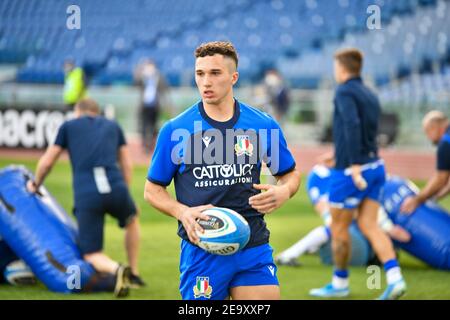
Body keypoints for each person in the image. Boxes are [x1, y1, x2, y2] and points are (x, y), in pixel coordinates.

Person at [144, 41, 301, 300]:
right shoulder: (175, 130)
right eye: (200, 74)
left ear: (233, 77)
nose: (206, 81)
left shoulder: (263, 125)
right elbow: (152, 189)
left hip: (253, 243)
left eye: (215, 73)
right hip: (202, 249)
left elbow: (290, 173)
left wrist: (284, 191)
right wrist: (181, 211)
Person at [309, 48, 407, 300]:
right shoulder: (370, 94)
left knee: (339, 230)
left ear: (341, 68)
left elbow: (351, 124)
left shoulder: (343, 90)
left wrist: (350, 163)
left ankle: (339, 284)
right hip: (375, 166)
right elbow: (362, 131)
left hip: (351, 172)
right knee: (370, 225)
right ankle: (395, 279)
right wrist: (338, 154)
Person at [27, 98, 145, 292]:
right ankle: (134, 272)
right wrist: (126, 192)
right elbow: (126, 164)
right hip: (116, 187)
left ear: (78, 112)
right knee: (131, 220)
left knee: (91, 254)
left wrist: (35, 184)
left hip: (87, 193)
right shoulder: (113, 125)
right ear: (96, 112)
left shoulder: (68, 126)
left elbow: (47, 162)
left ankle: (116, 269)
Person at [275, 164, 410, 267]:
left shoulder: (358, 171)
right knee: (333, 230)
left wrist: (388, 228)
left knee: (332, 231)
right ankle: (296, 253)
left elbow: (367, 209)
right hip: (356, 228)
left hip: (362, 233)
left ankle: (294, 254)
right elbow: (324, 207)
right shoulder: (322, 175)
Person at [401, 111, 450, 213]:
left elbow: (440, 180)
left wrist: (416, 200)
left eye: (427, 132)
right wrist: (434, 197)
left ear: (434, 127)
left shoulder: (445, 143)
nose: (428, 137)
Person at [134, 59, 169, 152]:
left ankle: (152, 144)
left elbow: (164, 89)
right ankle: (145, 145)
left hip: (155, 105)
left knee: (154, 126)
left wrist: (166, 105)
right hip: (144, 105)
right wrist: (140, 71)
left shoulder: (159, 77)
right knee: (144, 125)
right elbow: (136, 82)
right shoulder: (142, 77)